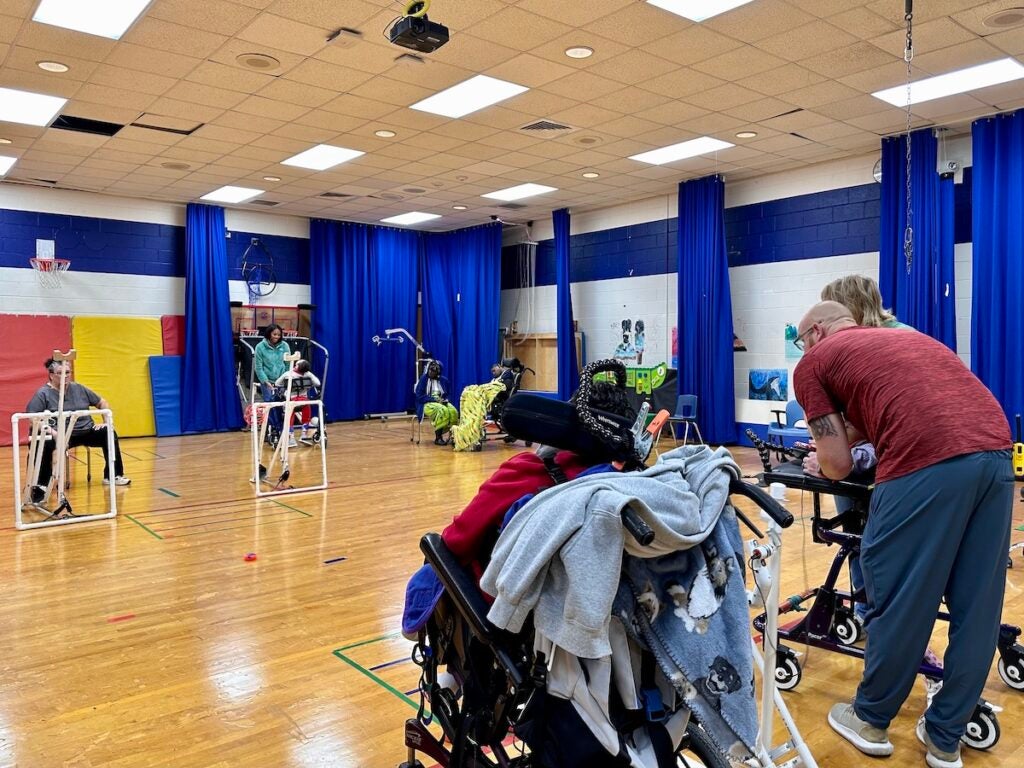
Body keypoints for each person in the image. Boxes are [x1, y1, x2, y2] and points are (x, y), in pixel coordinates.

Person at [793, 301, 1012, 768]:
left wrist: (822, 458)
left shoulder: (814, 361)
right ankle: (946, 738)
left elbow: (837, 465)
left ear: (815, 333)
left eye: (800, 339)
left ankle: (870, 719)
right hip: (996, 451)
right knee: (978, 606)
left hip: (925, 460)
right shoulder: (908, 339)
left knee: (899, 593)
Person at [813, 274, 913, 625]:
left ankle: (874, 612)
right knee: (859, 535)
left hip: (893, 458)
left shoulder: (887, 340)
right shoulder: (908, 334)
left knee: (865, 538)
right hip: (887, 454)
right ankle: (868, 608)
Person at [25, 358, 131, 502]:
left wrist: (106, 422)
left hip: (85, 431)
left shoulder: (79, 388)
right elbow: (32, 419)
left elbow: (102, 402)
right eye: (60, 373)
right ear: (51, 375)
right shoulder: (43, 393)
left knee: (109, 433)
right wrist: (54, 433)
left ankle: (113, 475)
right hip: (59, 435)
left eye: (68, 372)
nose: (65, 376)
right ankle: (41, 485)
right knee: (41, 441)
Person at [254, 324, 289, 442]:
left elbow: (289, 364)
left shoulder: (285, 346)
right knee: (269, 405)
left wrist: (285, 378)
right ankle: (270, 430)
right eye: (274, 334)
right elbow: (258, 367)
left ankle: (279, 430)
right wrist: (265, 381)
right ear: (269, 334)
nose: (277, 337)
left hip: (281, 381)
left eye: (279, 335)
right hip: (267, 381)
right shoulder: (260, 347)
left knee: (280, 406)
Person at [274, 359, 321, 447]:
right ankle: (304, 435)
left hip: (292, 401)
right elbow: (318, 383)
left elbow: (277, 383)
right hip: (303, 402)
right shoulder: (308, 374)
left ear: (297, 366)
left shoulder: (288, 374)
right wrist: (309, 376)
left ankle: (291, 438)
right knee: (307, 408)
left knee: (289, 415)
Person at [415, 360, 458, 445]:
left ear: (438, 372)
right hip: (426, 403)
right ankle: (438, 438)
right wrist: (435, 400)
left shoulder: (444, 380)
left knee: (454, 411)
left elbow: (448, 394)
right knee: (442, 411)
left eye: (433, 371)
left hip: (441, 401)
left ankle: (452, 436)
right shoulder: (423, 379)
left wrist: (446, 400)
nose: (431, 372)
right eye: (430, 370)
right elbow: (419, 396)